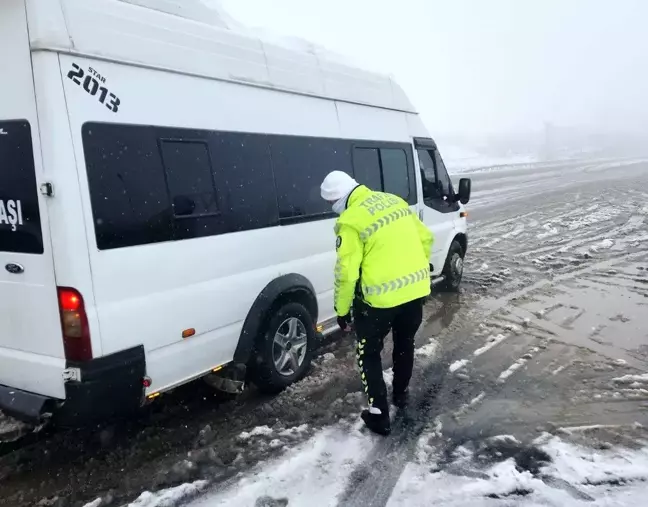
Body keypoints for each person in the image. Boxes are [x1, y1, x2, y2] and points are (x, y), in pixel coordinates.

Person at [320, 171, 433, 435]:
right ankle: (401, 394)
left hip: (378, 303)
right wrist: (414, 271)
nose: (332, 209)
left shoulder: (350, 221)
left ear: (337, 199)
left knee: (368, 353)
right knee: (405, 343)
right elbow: (425, 238)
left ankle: (379, 413)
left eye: (330, 204)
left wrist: (342, 310)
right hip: (415, 293)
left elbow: (346, 273)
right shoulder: (394, 202)